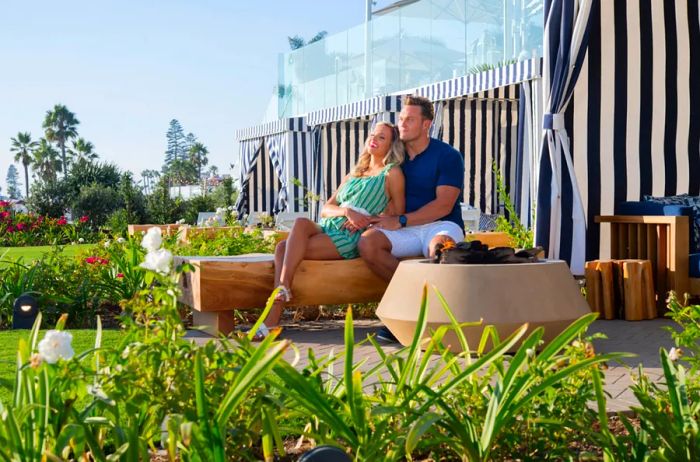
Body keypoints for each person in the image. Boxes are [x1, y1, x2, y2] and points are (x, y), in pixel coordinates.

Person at [251, 121, 406, 340]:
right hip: (330, 225)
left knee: (283, 248)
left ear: (391, 145)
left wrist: (366, 220)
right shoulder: (355, 173)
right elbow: (325, 209)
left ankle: (274, 312)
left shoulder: (392, 173)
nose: (373, 139)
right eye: (372, 134)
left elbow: (396, 216)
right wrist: (346, 211)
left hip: (349, 235)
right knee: (301, 223)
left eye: (381, 137)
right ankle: (281, 294)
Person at [357, 95, 465, 342]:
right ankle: (413, 308)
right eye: (401, 118)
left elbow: (443, 204)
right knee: (368, 242)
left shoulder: (448, 156)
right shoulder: (393, 155)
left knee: (441, 250)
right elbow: (365, 176)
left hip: (440, 223)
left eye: (409, 120)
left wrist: (402, 221)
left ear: (426, 124)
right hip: (403, 226)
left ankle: (440, 319)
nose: (401, 124)